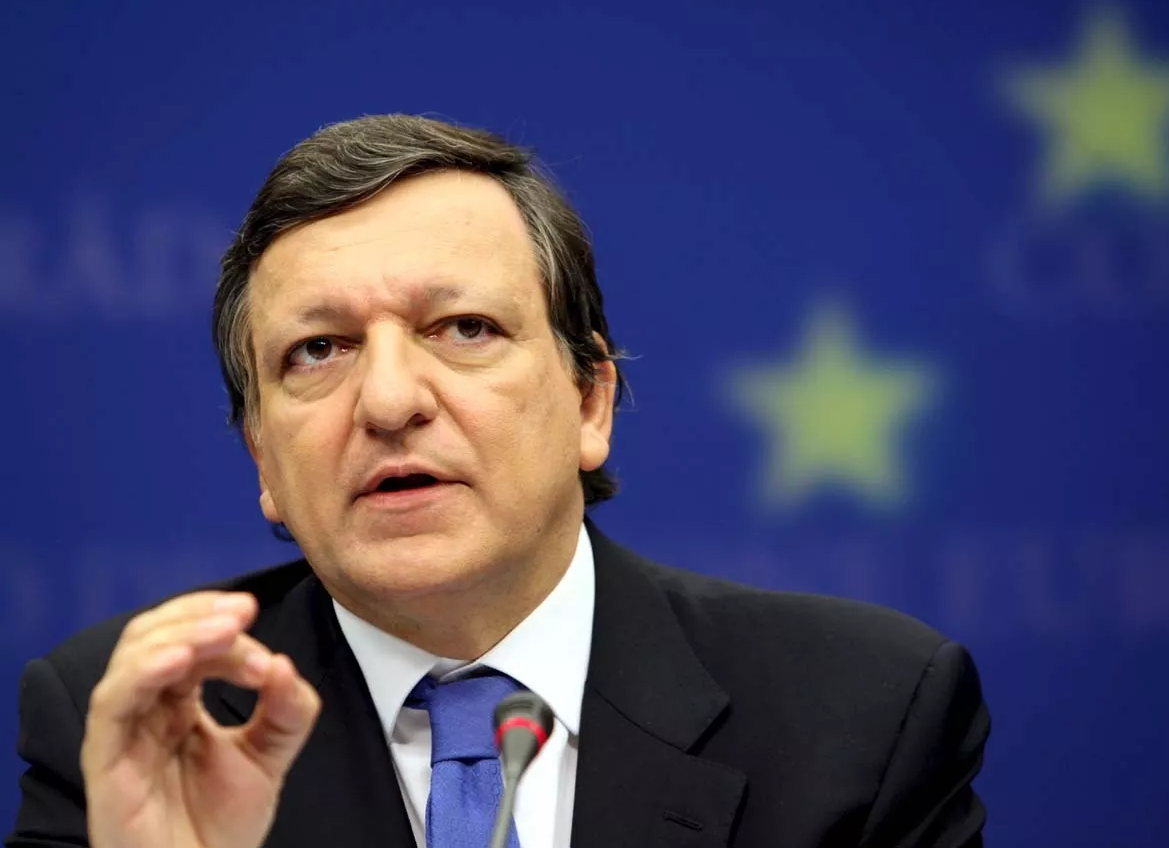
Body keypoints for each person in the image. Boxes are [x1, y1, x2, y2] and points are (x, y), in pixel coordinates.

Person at [6, 114, 990, 848]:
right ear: (264, 459)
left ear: (591, 401)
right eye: (318, 350)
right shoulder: (139, 725)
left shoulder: (859, 714)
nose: (389, 400)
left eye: (463, 329)